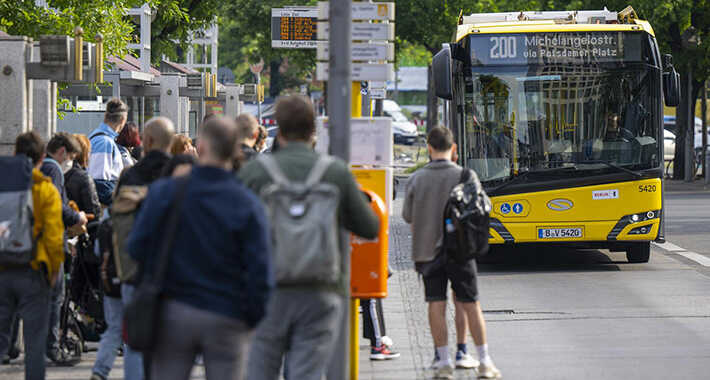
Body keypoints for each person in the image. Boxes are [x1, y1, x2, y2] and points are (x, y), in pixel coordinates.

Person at [240, 95, 379, 380]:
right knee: (307, 371)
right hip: (321, 289)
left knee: (260, 367)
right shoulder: (334, 172)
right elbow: (369, 227)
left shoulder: (255, 172)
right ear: (312, 128)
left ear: (278, 126)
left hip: (268, 289)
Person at [129, 116, 273, 380]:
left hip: (173, 311)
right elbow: (261, 267)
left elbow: (137, 246)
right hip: (228, 314)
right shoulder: (248, 203)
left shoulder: (165, 192)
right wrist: (252, 317)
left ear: (202, 147)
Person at [402, 127, 501, 379]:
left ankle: (443, 361)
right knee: (470, 303)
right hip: (461, 250)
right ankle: (484, 361)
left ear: (429, 148)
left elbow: (408, 217)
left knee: (436, 303)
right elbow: (482, 209)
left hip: (428, 253)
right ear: (453, 149)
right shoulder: (467, 176)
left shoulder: (416, 179)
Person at [94, 116, 175, 380]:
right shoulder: (179, 174)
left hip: (131, 269)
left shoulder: (129, 176)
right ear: (171, 142)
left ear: (147, 142)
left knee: (134, 340)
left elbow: (114, 219)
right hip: (172, 272)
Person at [0, 132, 64, 380]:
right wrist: (54, 270)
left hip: (2, 269)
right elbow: (53, 236)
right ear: (41, 158)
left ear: (15, 153)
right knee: (35, 345)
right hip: (33, 271)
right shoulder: (44, 189)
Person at [40, 132, 88, 364]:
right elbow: (57, 206)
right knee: (55, 296)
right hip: (51, 241)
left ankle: (10, 346)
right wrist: (76, 216)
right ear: (62, 152)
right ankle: (52, 346)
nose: (70, 161)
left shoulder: (37, 167)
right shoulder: (54, 170)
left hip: (34, 243)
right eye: (70, 156)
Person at [89, 98, 128, 206]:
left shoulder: (97, 137)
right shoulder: (104, 142)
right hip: (105, 206)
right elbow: (99, 182)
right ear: (122, 120)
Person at [65, 134, 101, 219]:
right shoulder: (84, 177)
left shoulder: (59, 172)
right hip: (82, 225)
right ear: (85, 154)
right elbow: (94, 211)